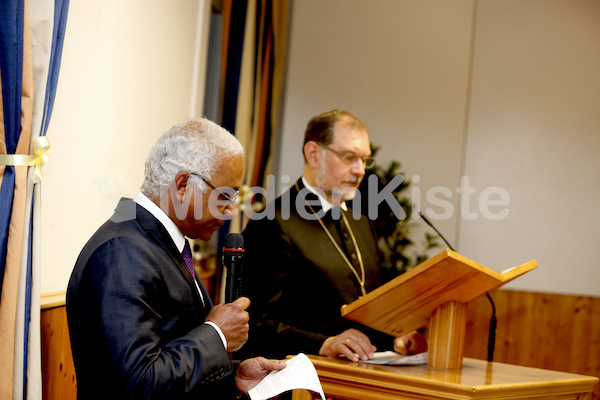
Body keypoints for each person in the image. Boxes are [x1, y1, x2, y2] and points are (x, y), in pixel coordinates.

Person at [66, 117, 286, 400]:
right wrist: (216, 335)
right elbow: (138, 383)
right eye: (225, 197)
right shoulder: (122, 250)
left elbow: (172, 351)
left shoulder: (160, 240)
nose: (231, 210)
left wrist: (234, 377)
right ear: (182, 185)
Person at [240, 109, 428, 363]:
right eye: (350, 157)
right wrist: (325, 344)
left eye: (364, 160)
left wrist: (395, 339)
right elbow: (253, 324)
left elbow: (364, 312)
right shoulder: (271, 222)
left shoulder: (361, 221)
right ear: (313, 154)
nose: (360, 170)